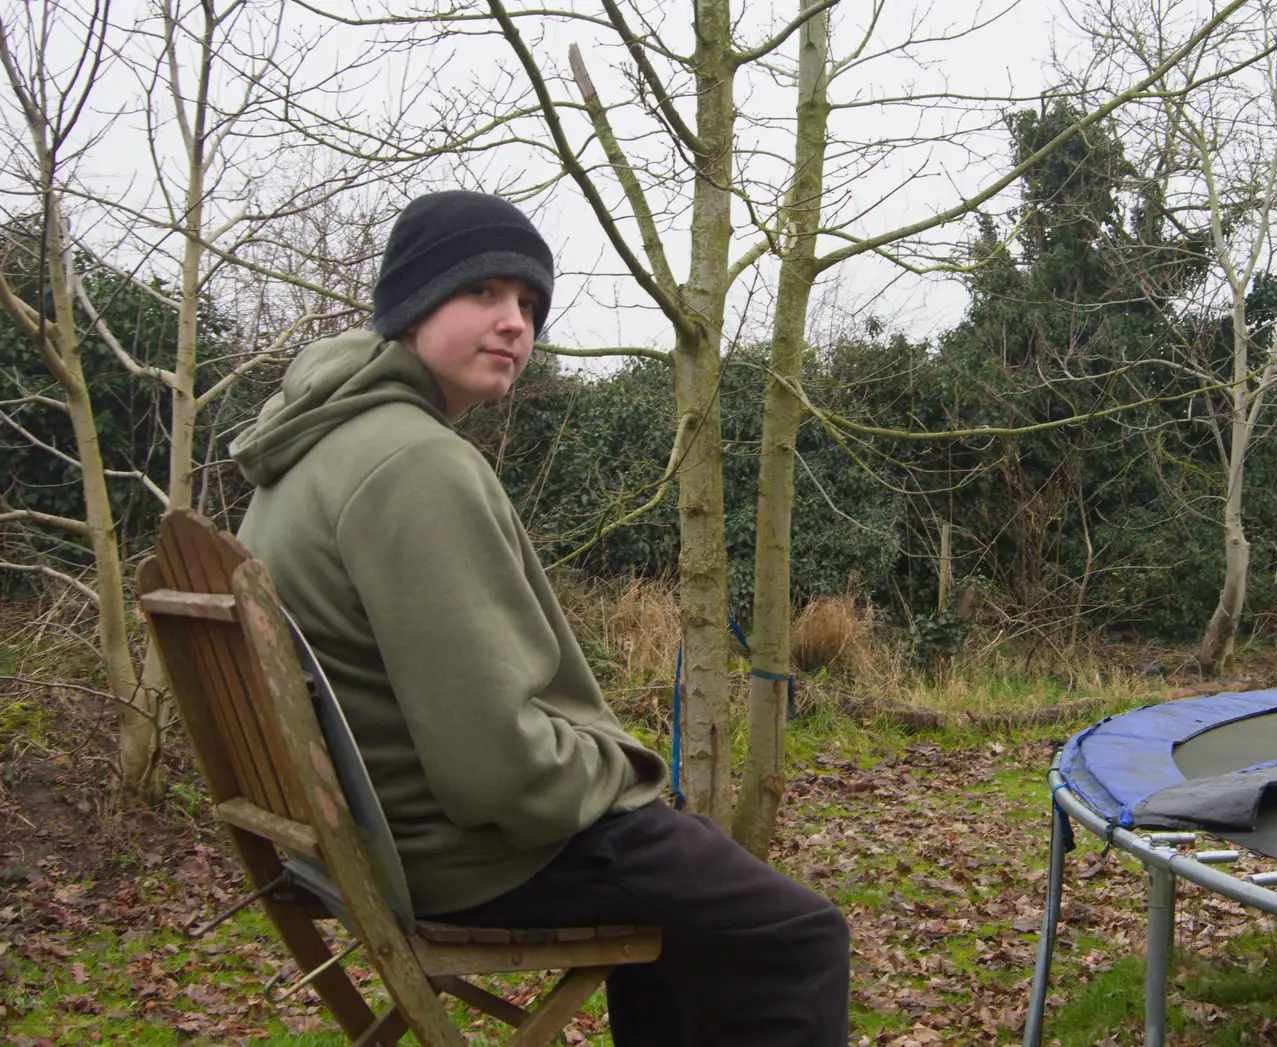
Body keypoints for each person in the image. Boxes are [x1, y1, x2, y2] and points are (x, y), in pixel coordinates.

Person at [231, 190, 851, 1045]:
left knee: (690, 898)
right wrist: (616, 774)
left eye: (528, 304)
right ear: (411, 304)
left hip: (368, 846)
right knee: (794, 930)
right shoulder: (415, 465)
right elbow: (497, 770)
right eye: (481, 292)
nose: (514, 322)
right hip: (465, 856)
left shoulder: (308, 451)